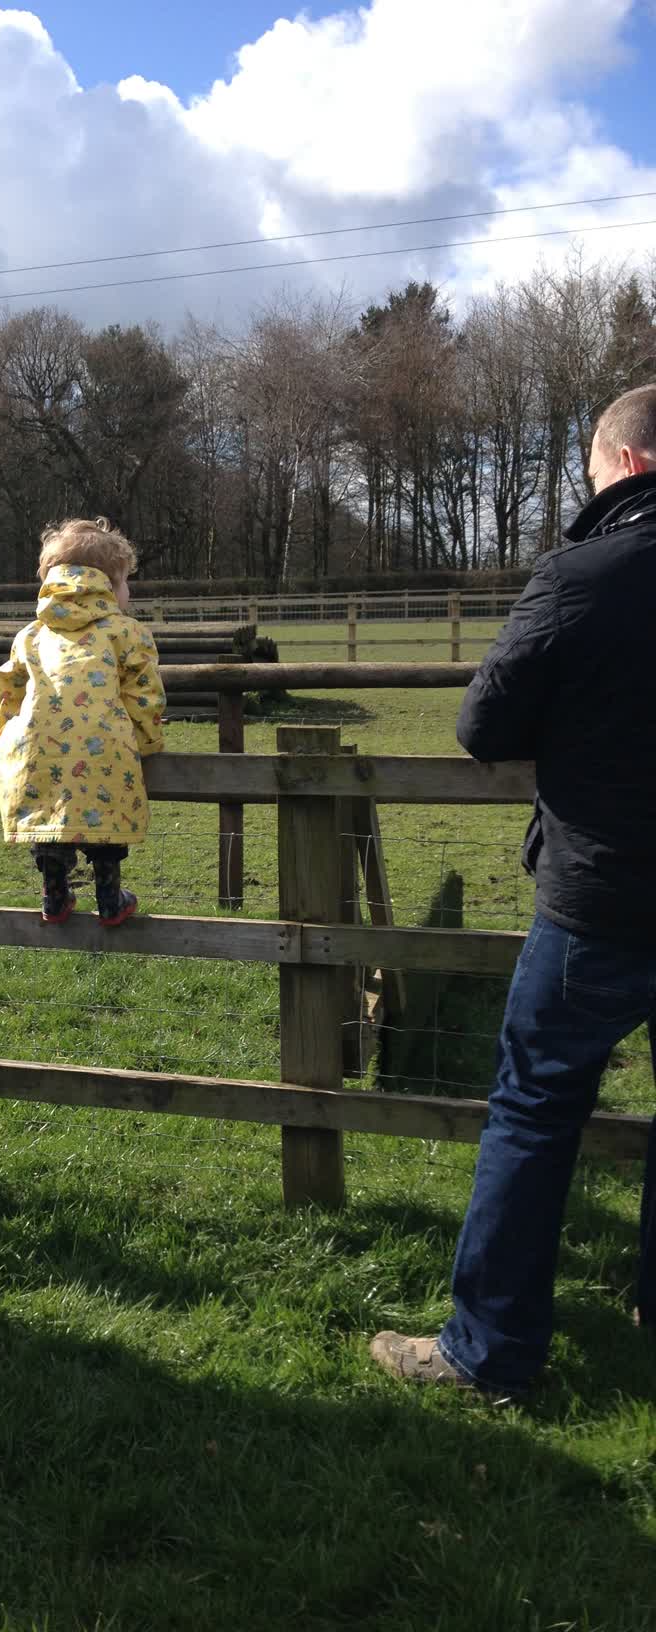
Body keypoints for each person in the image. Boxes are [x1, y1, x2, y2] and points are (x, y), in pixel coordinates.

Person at [371, 381, 656, 1398]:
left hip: (605, 896)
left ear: (626, 463)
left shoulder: (585, 573)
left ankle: (488, 1351)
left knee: (534, 1111)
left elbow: (484, 727)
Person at [0, 516, 165, 926]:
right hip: (105, 746)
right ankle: (109, 897)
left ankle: (54, 895)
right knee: (105, 819)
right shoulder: (127, 631)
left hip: (34, 749)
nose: (129, 591)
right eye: (125, 581)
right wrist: (143, 741)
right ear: (107, 583)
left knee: (49, 818)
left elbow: (7, 689)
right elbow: (145, 693)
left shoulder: (31, 635)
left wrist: (7, 735)